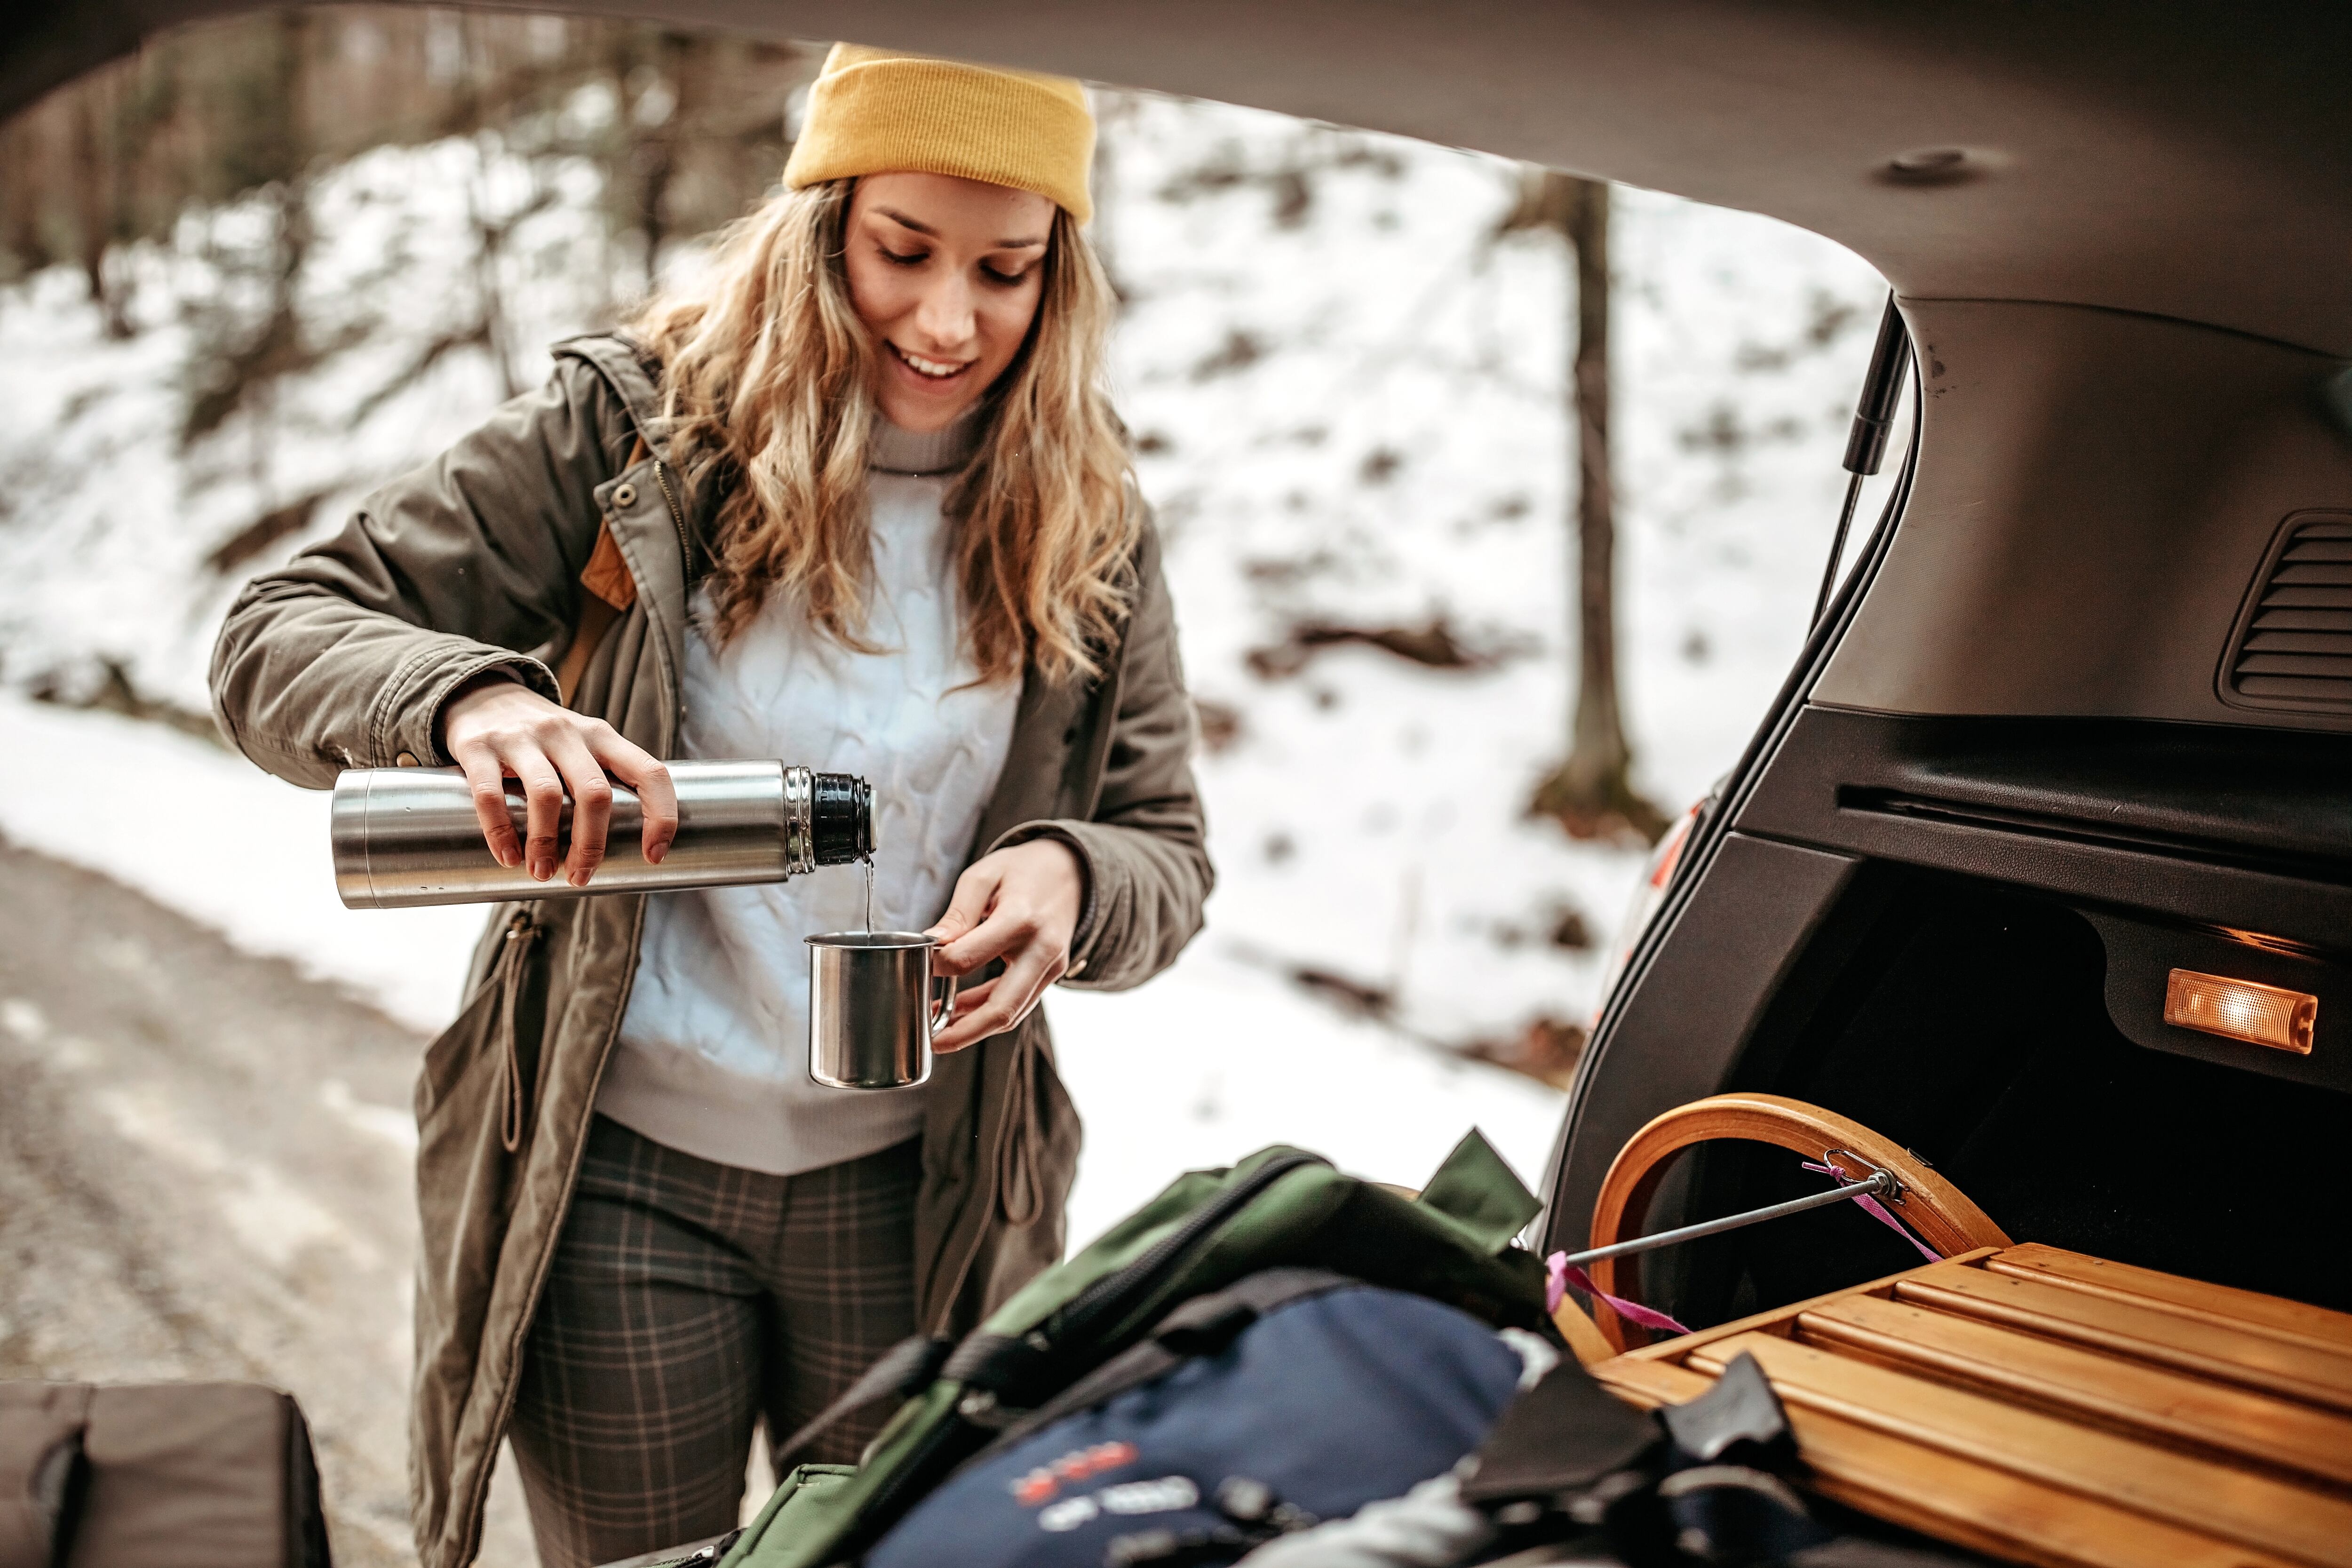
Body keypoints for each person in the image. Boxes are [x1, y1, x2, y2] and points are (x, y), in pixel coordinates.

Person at [210, 43, 1210, 1568]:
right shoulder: (635, 434)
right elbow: (278, 631)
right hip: (617, 1185)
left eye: (1006, 271)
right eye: (904, 251)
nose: (950, 319)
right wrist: (478, 701)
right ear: (821, 225)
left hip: (924, 1199)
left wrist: (1076, 877)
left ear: (1059, 279)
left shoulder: (1088, 506)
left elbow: (1167, 850)